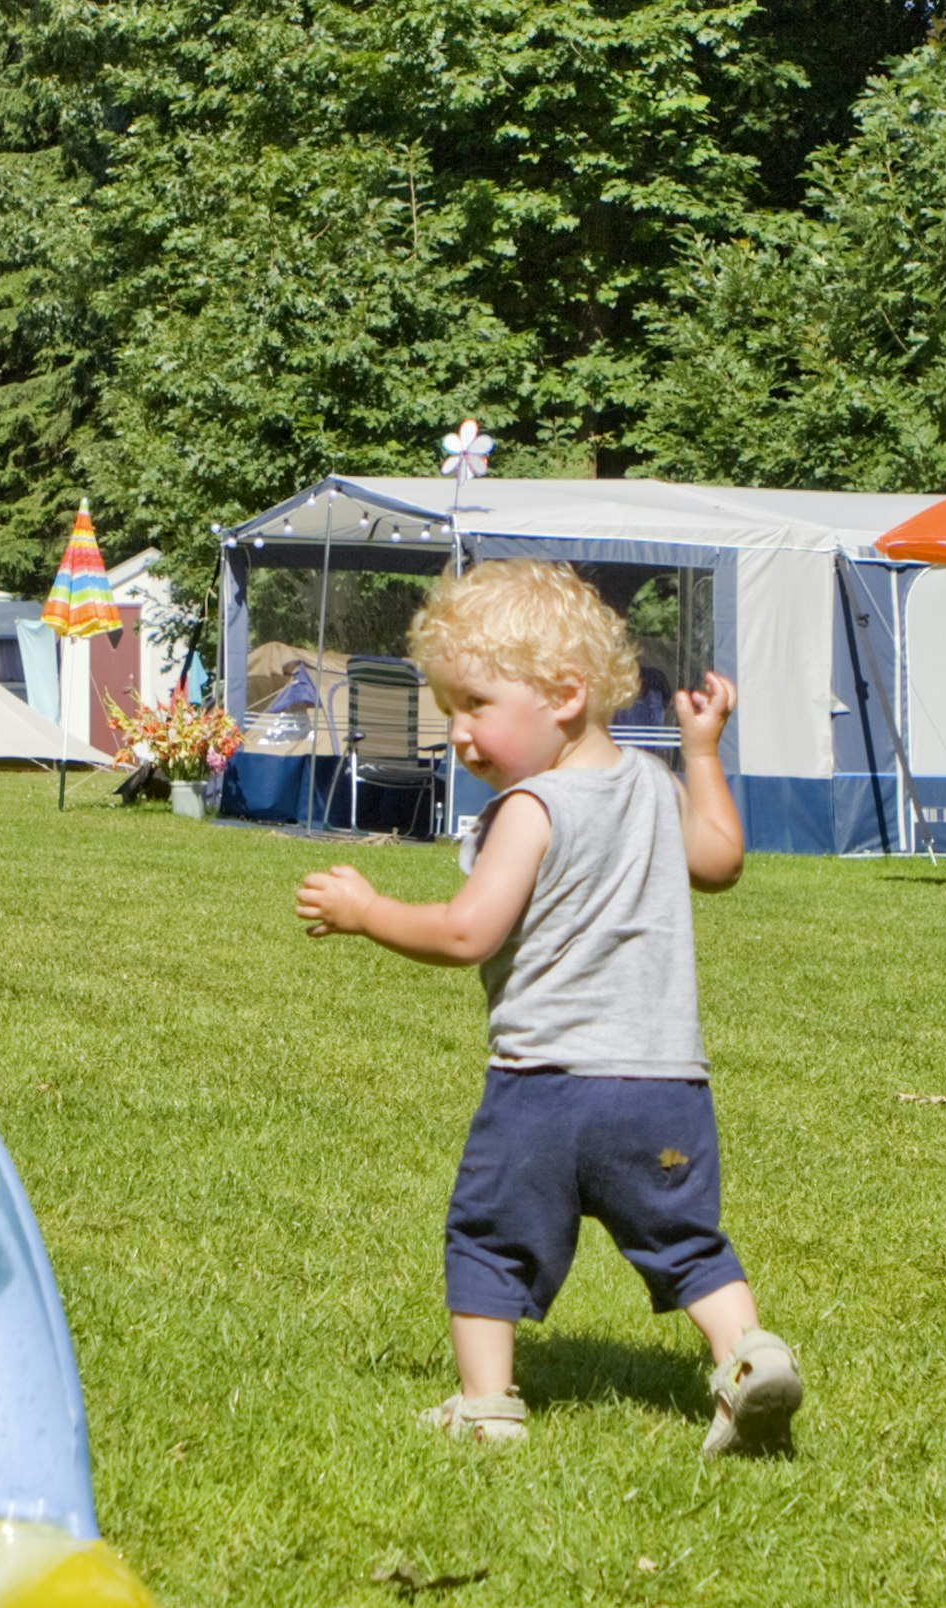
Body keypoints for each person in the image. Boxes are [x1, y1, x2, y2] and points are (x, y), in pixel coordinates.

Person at [293, 560, 803, 1460]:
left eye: (477, 705)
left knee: (488, 1240)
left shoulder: (530, 807)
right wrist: (702, 752)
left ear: (565, 695)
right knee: (688, 1244)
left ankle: (487, 1405)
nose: (458, 734)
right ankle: (746, 1356)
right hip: (665, 1090)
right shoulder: (651, 784)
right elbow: (721, 860)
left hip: (546, 1086)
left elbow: (465, 934)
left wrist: (366, 912)